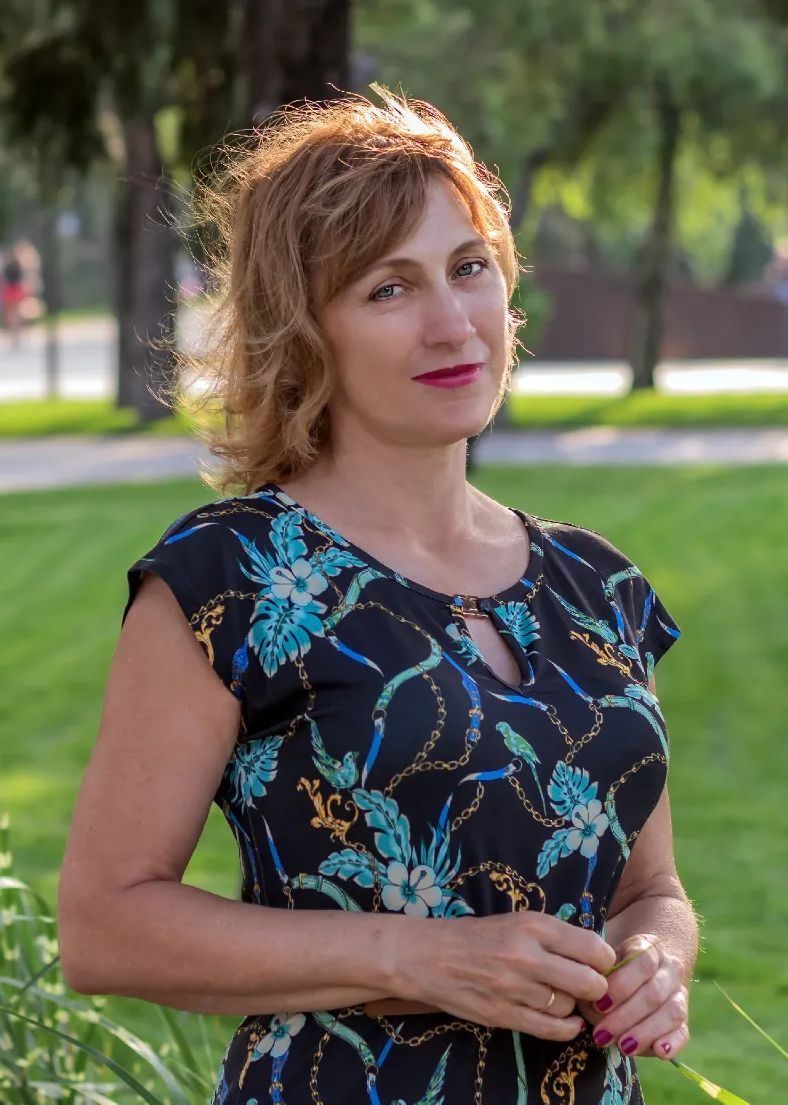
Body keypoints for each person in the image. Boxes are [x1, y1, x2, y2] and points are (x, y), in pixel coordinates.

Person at [58, 90, 697, 1105]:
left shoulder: (597, 586)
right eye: (388, 288)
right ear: (304, 330)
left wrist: (657, 955)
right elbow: (104, 926)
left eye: (469, 268)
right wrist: (413, 956)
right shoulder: (232, 578)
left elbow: (648, 889)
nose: (452, 323)